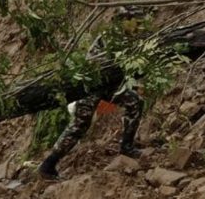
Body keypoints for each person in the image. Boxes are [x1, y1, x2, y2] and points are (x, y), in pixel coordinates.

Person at [38, 9, 146, 180]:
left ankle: (127, 147)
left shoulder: (127, 38)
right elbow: (109, 66)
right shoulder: (111, 38)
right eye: (136, 22)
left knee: (135, 102)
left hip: (108, 85)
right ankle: (48, 164)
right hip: (90, 85)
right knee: (80, 125)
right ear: (125, 21)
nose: (138, 26)